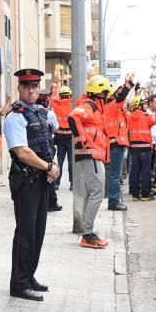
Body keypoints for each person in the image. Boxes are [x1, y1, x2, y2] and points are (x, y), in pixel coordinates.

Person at [4, 68, 59, 302]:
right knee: (25, 233)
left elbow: (49, 144)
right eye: (27, 86)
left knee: (37, 233)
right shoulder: (15, 116)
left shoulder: (41, 113)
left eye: (35, 86)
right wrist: (48, 168)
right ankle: (19, 283)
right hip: (26, 181)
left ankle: (29, 276)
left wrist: (53, 166)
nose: (32, 90)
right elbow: (22, 152)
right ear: (19, 88)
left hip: (42, 181)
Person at [70, 75, 111, 249]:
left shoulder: (96, 107)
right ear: (100, 93)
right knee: (97, 193)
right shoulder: (89, 106)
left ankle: (87, 233)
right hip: (90, 155)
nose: (108, 95)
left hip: (92, 155)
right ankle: (88, 234)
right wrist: (81, 140)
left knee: (90, 193)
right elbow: (73, 117)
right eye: (106, 92)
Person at [105, 78, 133, 211]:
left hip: (117, 144)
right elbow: (121, 96)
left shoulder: (117, 110)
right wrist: (129, 84)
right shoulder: (112, 106)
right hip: (115, 144)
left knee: (115, 175)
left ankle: (115, 199)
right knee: (115, 175)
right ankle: (114, 201)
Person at [49, 70, 74, 191]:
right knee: (71, 161)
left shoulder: (56, 104)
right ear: (69, 95)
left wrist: (55, 83)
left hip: (59, 137)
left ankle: (57, 183)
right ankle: (73, 183)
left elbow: (52, 97)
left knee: (59, 160)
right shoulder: (73, 105)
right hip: (70, 137)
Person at [127, 97, 155, 201]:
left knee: (135, 171)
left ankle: (135, 194)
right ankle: (145, 194)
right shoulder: (146, 116)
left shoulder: (129, 117)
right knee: (145, 171)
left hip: (134, 147)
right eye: (144, 104)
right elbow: (155, 120)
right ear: (139, 105)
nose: (146, 106)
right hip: (145, 147)